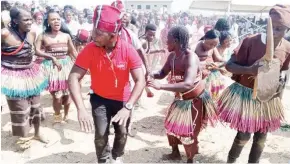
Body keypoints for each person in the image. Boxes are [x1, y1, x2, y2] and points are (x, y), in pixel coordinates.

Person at [218, 5, 290, 163]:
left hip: (268, 99)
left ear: (288, 29)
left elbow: (284, 75)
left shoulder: (287, 48)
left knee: (261, 137)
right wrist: (249, 70)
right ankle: (231, 161)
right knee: (244, 134)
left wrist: (278, 99)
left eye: (279, 29)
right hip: (247, 96)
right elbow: (229, 66)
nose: (273, 32)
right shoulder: (250, 41)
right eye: (271, 27)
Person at [68, 5, 145, 163]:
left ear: (113, 35)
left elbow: (140, 80)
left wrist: (128, 106)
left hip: (123, 100)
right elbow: (73, 77)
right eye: (93, 30)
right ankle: (103, 160)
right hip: (99, 99)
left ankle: (116, 156)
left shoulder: (128, 49)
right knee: (101, 135)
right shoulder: (89, 49)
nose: (93, 35)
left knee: (122, 132)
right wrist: (81, 109)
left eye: (99, 33)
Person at [147, 26, 217, 163]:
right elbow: (162, 73)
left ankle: (190, 159)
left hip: (194, 101)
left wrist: (160, 86)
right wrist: (151, 74)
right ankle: (175, 153)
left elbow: (188, 84)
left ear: (176, 41)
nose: (166, 43)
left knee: (189, 131)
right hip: (180, 98)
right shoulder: (173, 56)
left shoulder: (190, 57)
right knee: (170, 125)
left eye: (168, 40)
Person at [1, 7, 49, 150]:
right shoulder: (4, 34)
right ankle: (24, 138)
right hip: (12, 76)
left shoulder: (33, 32)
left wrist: (50, 57)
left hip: (31, 74)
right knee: (20, 109)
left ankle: (37, 133)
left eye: (30, 19)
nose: (30, 22)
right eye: (25, 19)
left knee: (36, 106)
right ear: (15, 21)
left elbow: (36, 50)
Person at [35, 9, 77, 123]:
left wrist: (82, 65)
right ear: (48, 21)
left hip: (66, 68)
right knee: (57, 96)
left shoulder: (66, 36)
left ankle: (66, 115)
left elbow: (73, 52)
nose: (56, 21)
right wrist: (52, 57)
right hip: (52, 69)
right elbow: (37, 51)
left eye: (58, 19)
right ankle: (57, 117)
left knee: (68, 95)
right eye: (53, 19)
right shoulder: (43, 35)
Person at [194, 29, 227, 100]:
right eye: (210, 44)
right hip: (198, 74)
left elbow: (220, 59)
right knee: (199, 96)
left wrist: (219, 64)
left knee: (211, 96)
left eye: (215, 45)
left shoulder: (213, 48)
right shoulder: (196, 46)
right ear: (205, 39)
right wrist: (204, 64)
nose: (212, 46)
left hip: (211, 74)